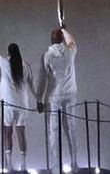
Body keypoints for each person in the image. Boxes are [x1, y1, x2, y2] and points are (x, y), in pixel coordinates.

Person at [0, 34, 35, 170]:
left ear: (9, 53)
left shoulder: (4, 62)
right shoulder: (26, 66)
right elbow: (32, 85)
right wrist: (39, 101)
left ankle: (9, 164)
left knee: (8, 132)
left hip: (8, 105)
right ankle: (23, 165)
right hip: (23, 105)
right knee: (21, 133)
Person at [44, 25, 81, 171]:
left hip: (55, 96)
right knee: (71, 128)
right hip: (70, 94)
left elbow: (46, 78)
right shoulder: (70, 52)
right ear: (61, 39)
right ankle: (74, 162)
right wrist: (64, 30)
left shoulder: (48, 56)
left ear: (51, 40)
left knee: (54, 130)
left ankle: (56, 165)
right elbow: (72, 42)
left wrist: (42, 99)